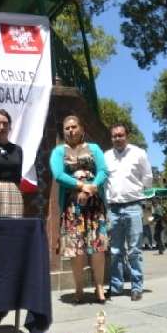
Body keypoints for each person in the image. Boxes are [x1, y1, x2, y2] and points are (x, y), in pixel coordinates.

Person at [49, 113, 108, 304]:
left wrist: (91, 189)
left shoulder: (94, 148)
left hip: (94, 207)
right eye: (67, 128)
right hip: (72, 207)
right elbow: (58, 175)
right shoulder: (58, 152)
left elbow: (103, 171)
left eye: (74, 127)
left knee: (98, 248)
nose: (71, 130)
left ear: (82, 129)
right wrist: (82, 186)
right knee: (77, 250)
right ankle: (79, 289)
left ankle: (99, 287)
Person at [104, 123, 152, 302]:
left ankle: (136, 287)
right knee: (115, 251)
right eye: (114, 136)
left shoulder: (139, 153)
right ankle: (116, 287)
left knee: (134, 251)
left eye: (120, 135)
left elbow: (147, 178)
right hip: (113, 209)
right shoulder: (106, 156)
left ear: (127, 136)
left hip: (133, 207)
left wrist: (138, 191)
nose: (117, 139)